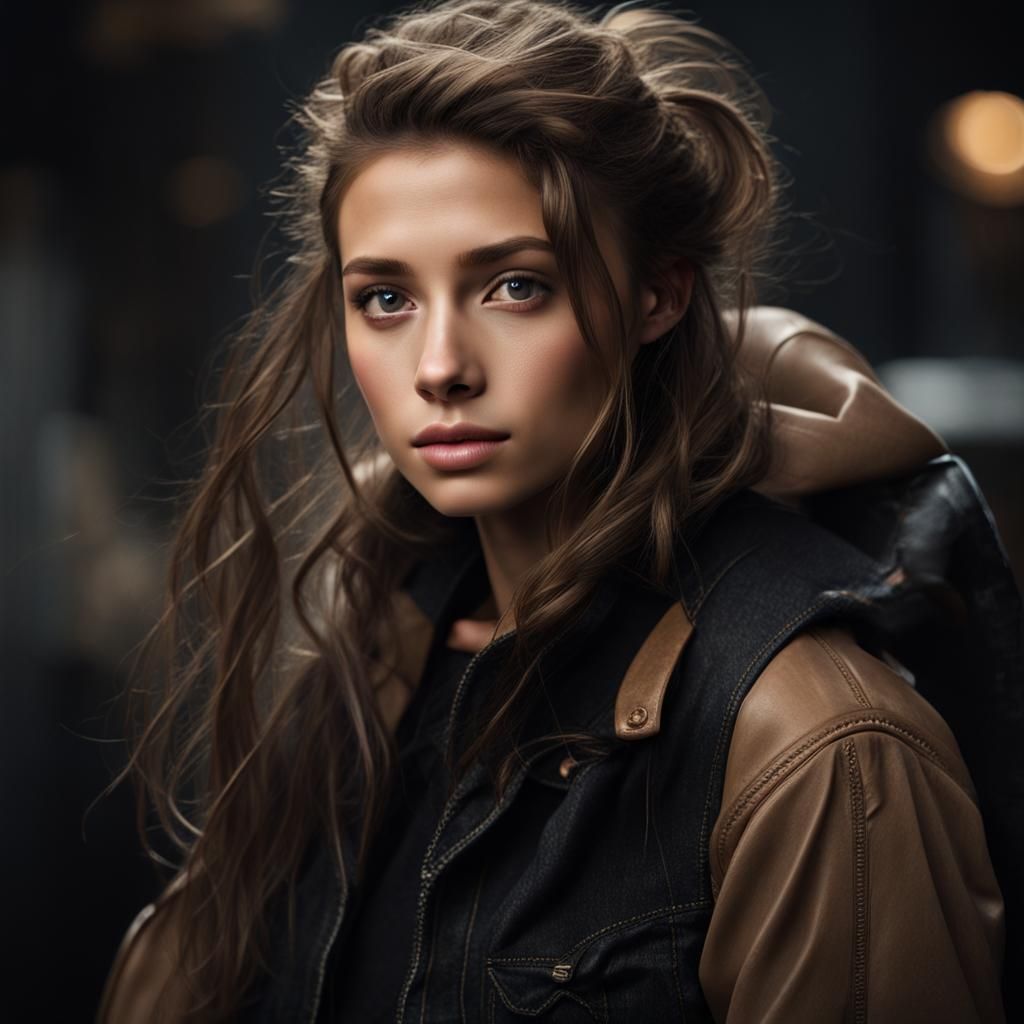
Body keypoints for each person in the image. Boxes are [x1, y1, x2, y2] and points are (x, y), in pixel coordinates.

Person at [98, 1, 1013, 1021]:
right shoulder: (371, 650)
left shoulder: (815, 740)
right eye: (386, 300)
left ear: (656, 297)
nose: (439, 367)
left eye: (514, 286)